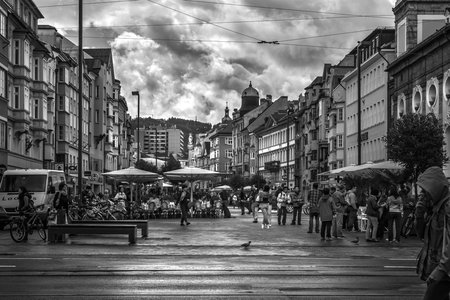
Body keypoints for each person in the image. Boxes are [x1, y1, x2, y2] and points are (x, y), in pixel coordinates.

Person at [415, 166, 450, 300]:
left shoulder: (447, 207)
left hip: (444, 271)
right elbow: (422, 236)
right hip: (439, 269)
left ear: (435, 187)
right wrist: (419, 214)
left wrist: (441, 271)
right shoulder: (435, 207)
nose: (424, 194)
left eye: (426, 190)